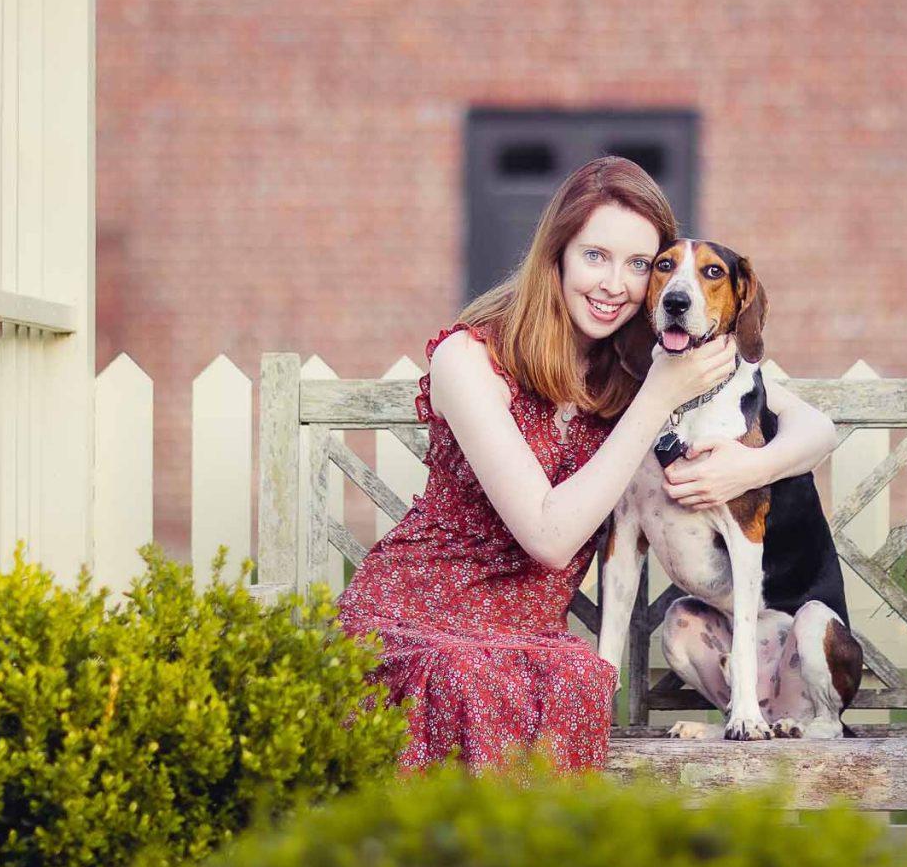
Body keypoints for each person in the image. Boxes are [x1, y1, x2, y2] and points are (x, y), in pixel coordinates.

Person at [336, 155, 840, 773]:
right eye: (594, 256)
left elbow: (816, 429)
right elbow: (549, 538)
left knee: (574, 676)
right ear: (557, 255)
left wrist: (745, 469)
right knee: (476, 679)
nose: (613, 285)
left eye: (636, 265)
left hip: (528, 639)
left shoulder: (645, 360)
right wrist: (658, 394)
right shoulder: (470, 361)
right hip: (422, 615)